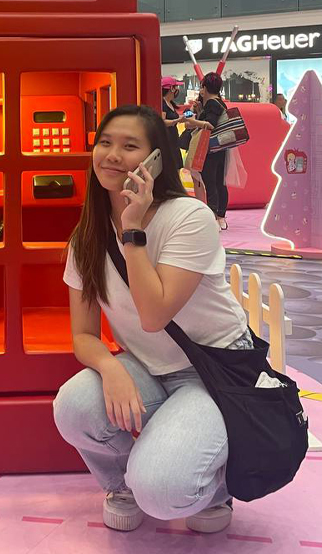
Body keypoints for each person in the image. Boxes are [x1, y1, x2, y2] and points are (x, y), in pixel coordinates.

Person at [52, 104, 250, 534]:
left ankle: (214, 488)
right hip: (148, 367)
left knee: (162, 490)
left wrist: (133, 228)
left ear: (155, 159)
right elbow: (83, 336)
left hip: (214, 369)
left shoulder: (189, 218)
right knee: (73, 408)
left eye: (129, 146)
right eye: (104, 143)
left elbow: (154, 314)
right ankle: (123, 484)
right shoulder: (85, 237)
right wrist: (109, 368)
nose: (112, 155)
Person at [191, 72, 228, 230]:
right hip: (220, 147)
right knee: (220, 182)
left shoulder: (212, 103)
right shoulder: (220, 102)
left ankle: (213, 216)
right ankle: (220, 216)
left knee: (210, 181)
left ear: (204, 87)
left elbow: (210, 124)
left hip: (211, 148)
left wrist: (192, 121)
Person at [160, 76, 185, 169]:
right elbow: (162, 122)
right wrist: (177, 120)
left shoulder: (170, 103)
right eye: (176, 87)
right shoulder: (162, 103)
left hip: (174, 140)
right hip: (167, 140)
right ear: (171, 89)